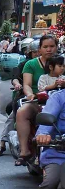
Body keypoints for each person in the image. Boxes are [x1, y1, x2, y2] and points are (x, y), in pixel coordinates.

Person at [15, 86, 65, 189]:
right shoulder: (59, 97)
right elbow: (47, 117)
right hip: (58, 154)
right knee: (51, 182)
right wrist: (43, 134)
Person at [15, 33, 59, 165]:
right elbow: (27, 85)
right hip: (38, 101)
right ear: (39, 49)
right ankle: (24, 151)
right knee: (22, 112)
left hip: (60, 103)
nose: (49, 49)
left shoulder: (61, 62)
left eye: (52, 46)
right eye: (45, 46)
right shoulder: (31, 64)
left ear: (57, 47)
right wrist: (30, 94)